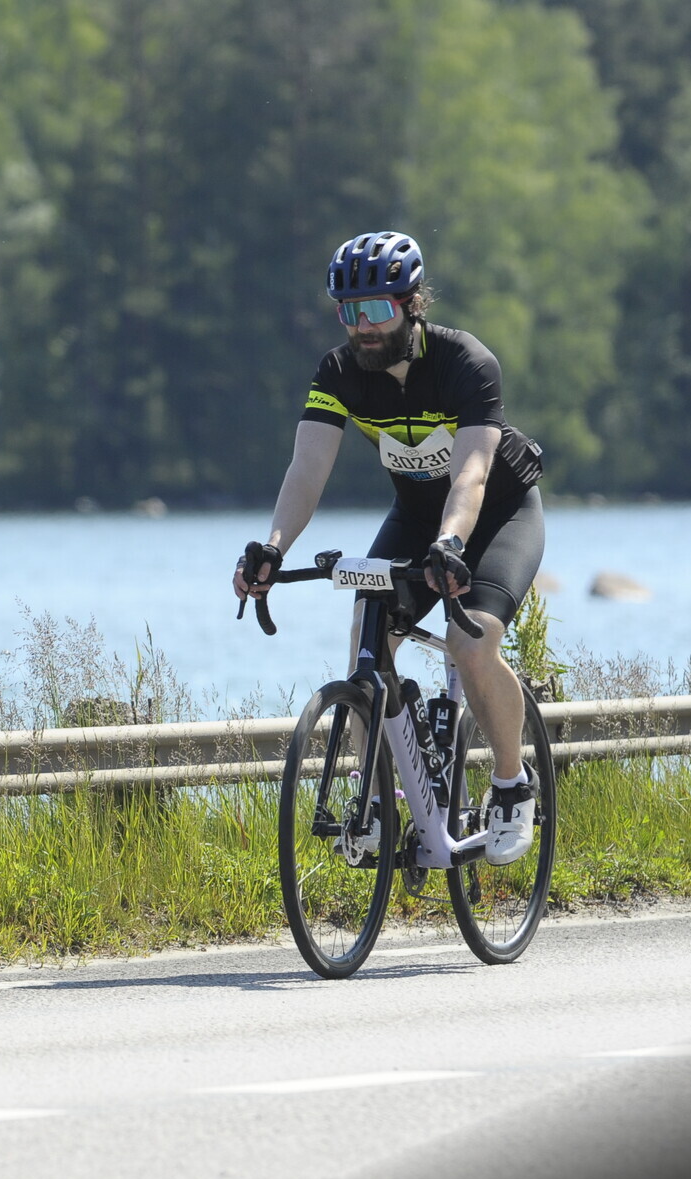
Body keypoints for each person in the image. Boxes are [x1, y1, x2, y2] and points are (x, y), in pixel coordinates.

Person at [234, 230, 545, 864]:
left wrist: (451, 542)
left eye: (375, 309)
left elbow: (472, 475)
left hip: (496, 516)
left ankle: (513, 785)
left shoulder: (466, 362)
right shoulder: (339, 372)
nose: (362, 327)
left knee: (471, 644)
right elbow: (307, 470)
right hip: (415, 516)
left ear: (411, 303)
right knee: (367, 644)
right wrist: (272, 547)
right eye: (348, 312)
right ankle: (376, 800)